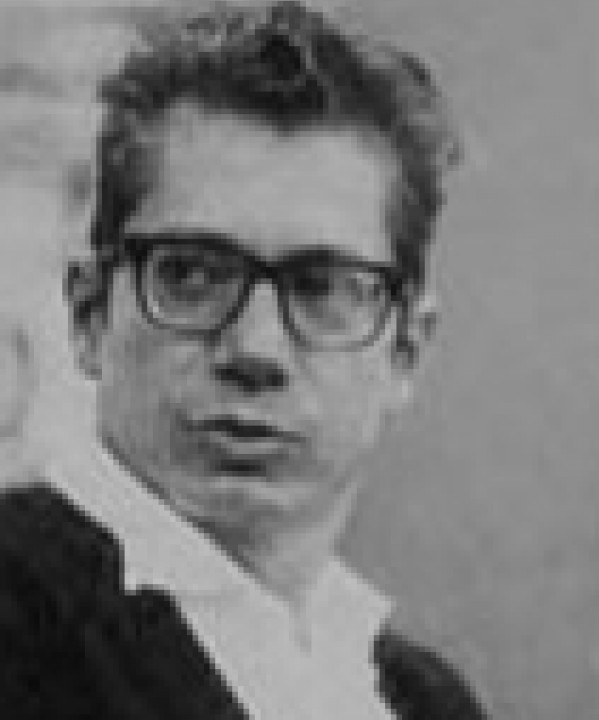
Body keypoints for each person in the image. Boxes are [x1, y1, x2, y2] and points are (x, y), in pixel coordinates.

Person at [0, 2, 486, 718]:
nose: (255, 349)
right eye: (193, 275)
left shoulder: (425, 701)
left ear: (405, 350)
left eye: (322, 287)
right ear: (89, 312)